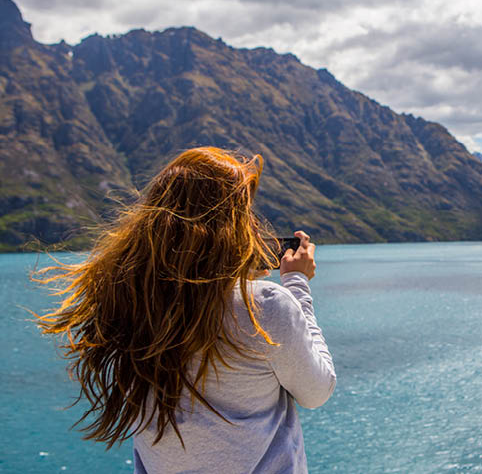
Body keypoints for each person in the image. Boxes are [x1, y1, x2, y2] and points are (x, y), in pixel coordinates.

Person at [33, 146, 336, 474]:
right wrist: (296, 283)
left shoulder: (130, 300)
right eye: (244, 212)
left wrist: (234, 276)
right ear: (229, 225)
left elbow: (196, 295)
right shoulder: (267, 307)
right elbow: (317, 391)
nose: (251, 223)